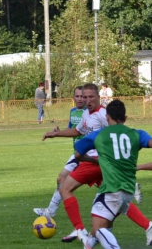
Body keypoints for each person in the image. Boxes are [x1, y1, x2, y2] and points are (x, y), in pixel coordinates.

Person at [42, 83, 148, 245]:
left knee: (65, 187)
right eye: (85, 97)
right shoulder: (86, 113)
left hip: (95, 161)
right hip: (95, 161)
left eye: (91, 97)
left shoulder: (104, 115)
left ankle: (80, 229)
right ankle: (146, 226)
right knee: (116, 201)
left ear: (99, 97)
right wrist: (56, 134)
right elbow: (78, 131)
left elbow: (116, 133)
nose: (88, 100)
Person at [75, 99, 152, 248]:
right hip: (128, 190)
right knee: (104, 226)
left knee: (98, 229)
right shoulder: (137, 134)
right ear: (126, 118)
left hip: (111, 188)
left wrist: (94, 160)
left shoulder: (99, 134)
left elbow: (78, 154)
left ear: (107, 117)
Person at [34, 86, 86, 218]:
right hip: (78, 154)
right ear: (73, 97)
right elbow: (71, 128)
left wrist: (57, 135)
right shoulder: (73, 111)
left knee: (107, 186)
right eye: (77, 96)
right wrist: (59, 131)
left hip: (89, 155)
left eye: (82, 96)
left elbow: (77, 131)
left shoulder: (89, 113)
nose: (79, 99)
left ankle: (129, 189)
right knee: (61, 178)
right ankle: (50, 211)